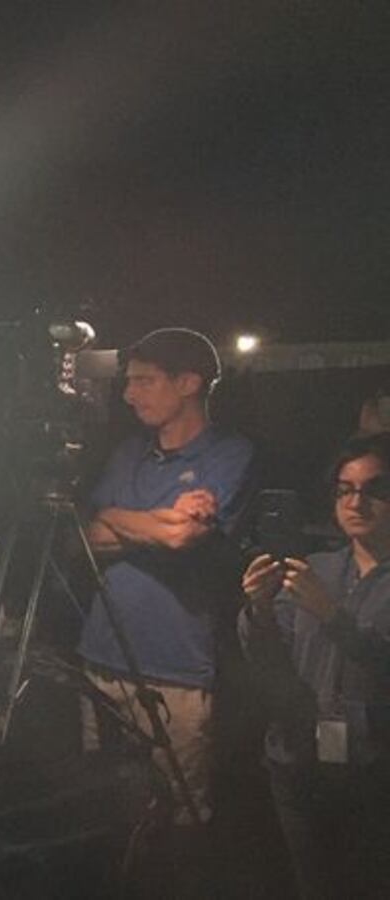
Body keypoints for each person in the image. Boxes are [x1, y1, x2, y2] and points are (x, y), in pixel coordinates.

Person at [77, 329, 253, 857]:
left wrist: (119, 521)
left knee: (178, 823)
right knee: (106, 813)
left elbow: (182, 537)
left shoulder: (230, 453)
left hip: (177, 669)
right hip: (101, 659)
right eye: (129, 382)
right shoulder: (130, 452)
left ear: (189, 382)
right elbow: (83, 538)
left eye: (144, 381)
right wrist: (145, 521)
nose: (130, 394)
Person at [238, 432, 390, 899]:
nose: (356, 502)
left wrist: (332, 616)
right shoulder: (314, 569)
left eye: (373, 489)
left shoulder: (318, 586)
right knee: (313, 886)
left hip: (374, 772)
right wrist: (258, 609)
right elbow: (267, 660)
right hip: (299, 762)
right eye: (345, 489)